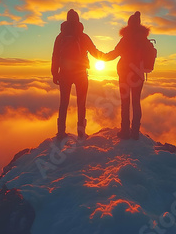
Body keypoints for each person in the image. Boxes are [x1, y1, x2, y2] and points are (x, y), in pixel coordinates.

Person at [51, 9, 104, 140]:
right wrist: (110, 56)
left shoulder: (60, 37)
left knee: (63, 104)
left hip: (64, 74)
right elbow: (94, 52)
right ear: (78, 20)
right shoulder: (83, 36)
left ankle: (61, 133)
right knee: (81, 103)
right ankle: (81, 133)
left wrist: (54, 73)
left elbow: (55, 56)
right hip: (81, 74)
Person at [103, 11, 150, 140]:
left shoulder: (126, 38)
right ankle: (135, 132)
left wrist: (101, 57)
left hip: (124, 74)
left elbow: (115, 53)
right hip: (138, 75)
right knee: (136, 102)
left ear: (129, 24)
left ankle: (125, 131)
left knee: (125, 102)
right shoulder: (143, 39)